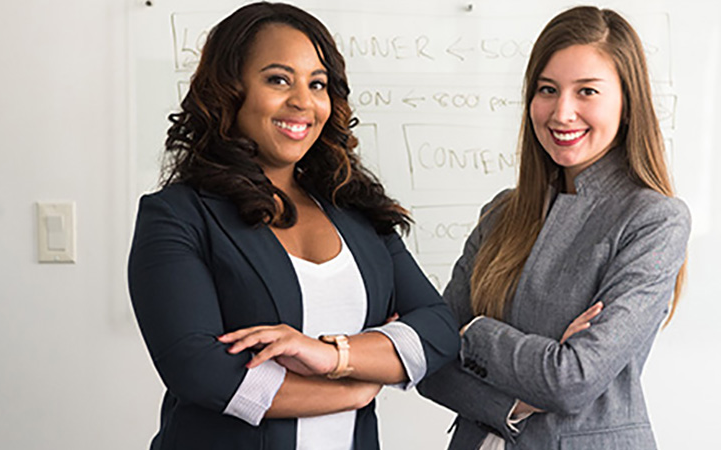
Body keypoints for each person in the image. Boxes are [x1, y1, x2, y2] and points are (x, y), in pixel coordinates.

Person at [127, 3, 460, 449]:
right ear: (231, 90)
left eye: (317, 84)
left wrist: (330, 356)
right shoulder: (179, 215)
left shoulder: (357, 214)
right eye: (278, 79)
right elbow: (199, 370)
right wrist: (354, 387)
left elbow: (437, 329)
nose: (303, 101)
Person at [417, 6, 690, 450]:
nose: (562, 112)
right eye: (548, 90)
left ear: (626, 104)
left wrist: (472, 332)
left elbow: (572, 379)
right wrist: (515, 405)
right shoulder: (501, 214)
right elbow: (430, 364)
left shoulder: (654, 219)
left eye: (587, 91)